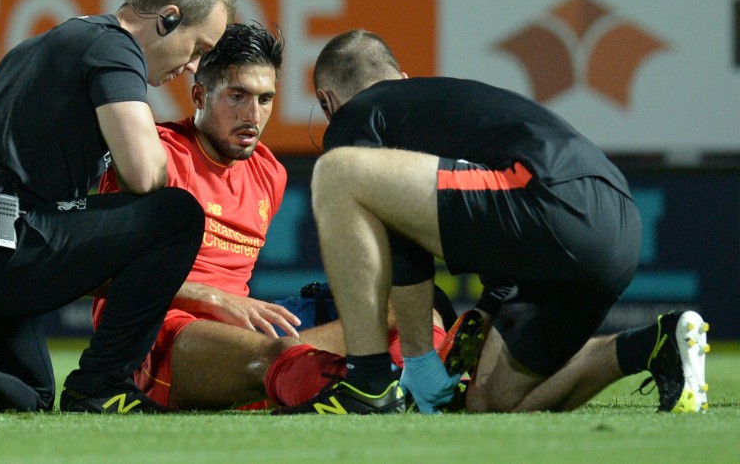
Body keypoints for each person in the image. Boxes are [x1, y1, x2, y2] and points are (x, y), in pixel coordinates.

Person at [288, 29, 709, 415]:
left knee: (337, 172)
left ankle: (368, 381)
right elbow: (494, 244)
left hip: (549, 193)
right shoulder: (438, 109)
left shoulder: (357, 112)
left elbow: (392, 228)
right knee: (490, 401)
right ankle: (653, 344)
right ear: (402, 77)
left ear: (327, 102)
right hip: (616, 227)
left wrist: (418, 359)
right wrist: (488, 311)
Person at [0, 0, 233, 415]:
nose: (193, 66)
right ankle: (102, 384)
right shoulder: (114, 48)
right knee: (176, 216)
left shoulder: (47, 44)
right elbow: (147, 176)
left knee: (30, 394)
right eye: (197, 47)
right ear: (168, 19)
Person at [93, 22, 473, 411]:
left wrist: (232, 309)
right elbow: (95, 273)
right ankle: (367, 391)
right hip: (155, 344)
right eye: (237, 96)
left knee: (405, 308)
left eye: (264, 98)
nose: (252, 115)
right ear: (199, 94)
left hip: (236, 337)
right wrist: (212, 298)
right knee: (277, 352)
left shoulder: (268, 172)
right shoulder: (153, 157)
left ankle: (419, 388)